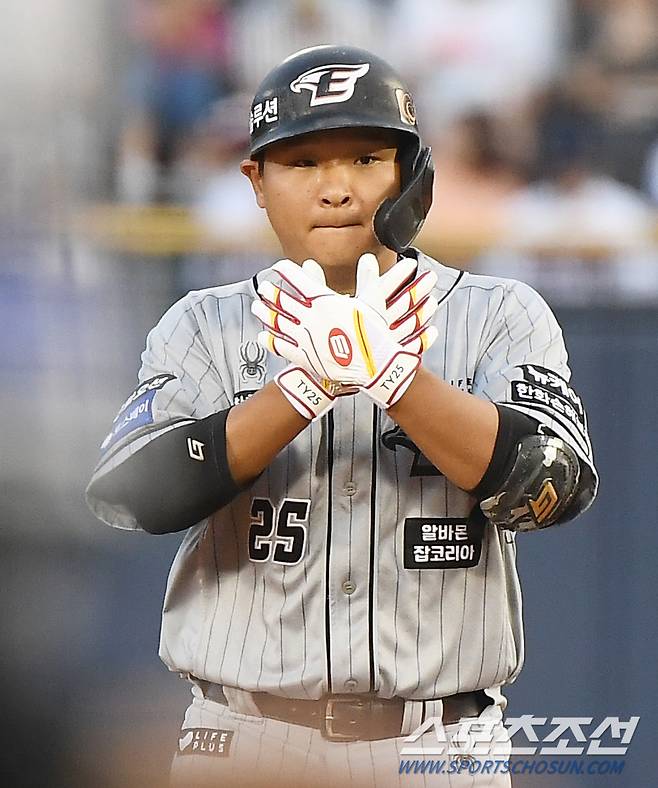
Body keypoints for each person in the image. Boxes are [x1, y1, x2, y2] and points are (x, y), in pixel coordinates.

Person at [86, 45, 598, 788]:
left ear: (412, 177)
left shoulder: (498, 315)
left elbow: (551, 488)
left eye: (365, 158)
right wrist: (298, 391)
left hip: (440, 742)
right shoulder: (203, 325)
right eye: (303, 164)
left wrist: (397, 379)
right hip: (244, 739)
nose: (337, 189)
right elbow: (130, 495)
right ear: (255, 182)